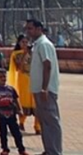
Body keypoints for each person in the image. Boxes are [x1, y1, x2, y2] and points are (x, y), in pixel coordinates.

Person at [24, 19, 61, 155]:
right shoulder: (37, 45)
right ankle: (49, 149)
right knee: (44, 120)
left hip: (45, 90)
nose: (28, 31)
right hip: (38, 89)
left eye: (31, 28)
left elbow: (47, 65)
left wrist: (45, 88)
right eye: (27, 29)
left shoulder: (44, 44)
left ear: (39, 29)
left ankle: (55, 151)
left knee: (51, 120)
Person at [0, 67, 28, 155]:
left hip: (12, 114)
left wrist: (20, 110)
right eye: (0, 77)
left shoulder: (10, 89)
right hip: (1, 115)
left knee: (16, 133)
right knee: (3, 133)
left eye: (4, 76)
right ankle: (5, 149)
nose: (3, 79)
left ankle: (21, 149)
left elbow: (16, 99)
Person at [8, 36, 36, 132]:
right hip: (23, 80)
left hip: (35, 78)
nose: (25, 44)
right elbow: (18, 67)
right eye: (22, 42)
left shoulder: (34, 53)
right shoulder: (16, 54)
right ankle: (21, 122)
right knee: (25, 102)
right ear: (19, 43)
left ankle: (38, 127)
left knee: (36, 102)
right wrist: (25, 54)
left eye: (26, 41)